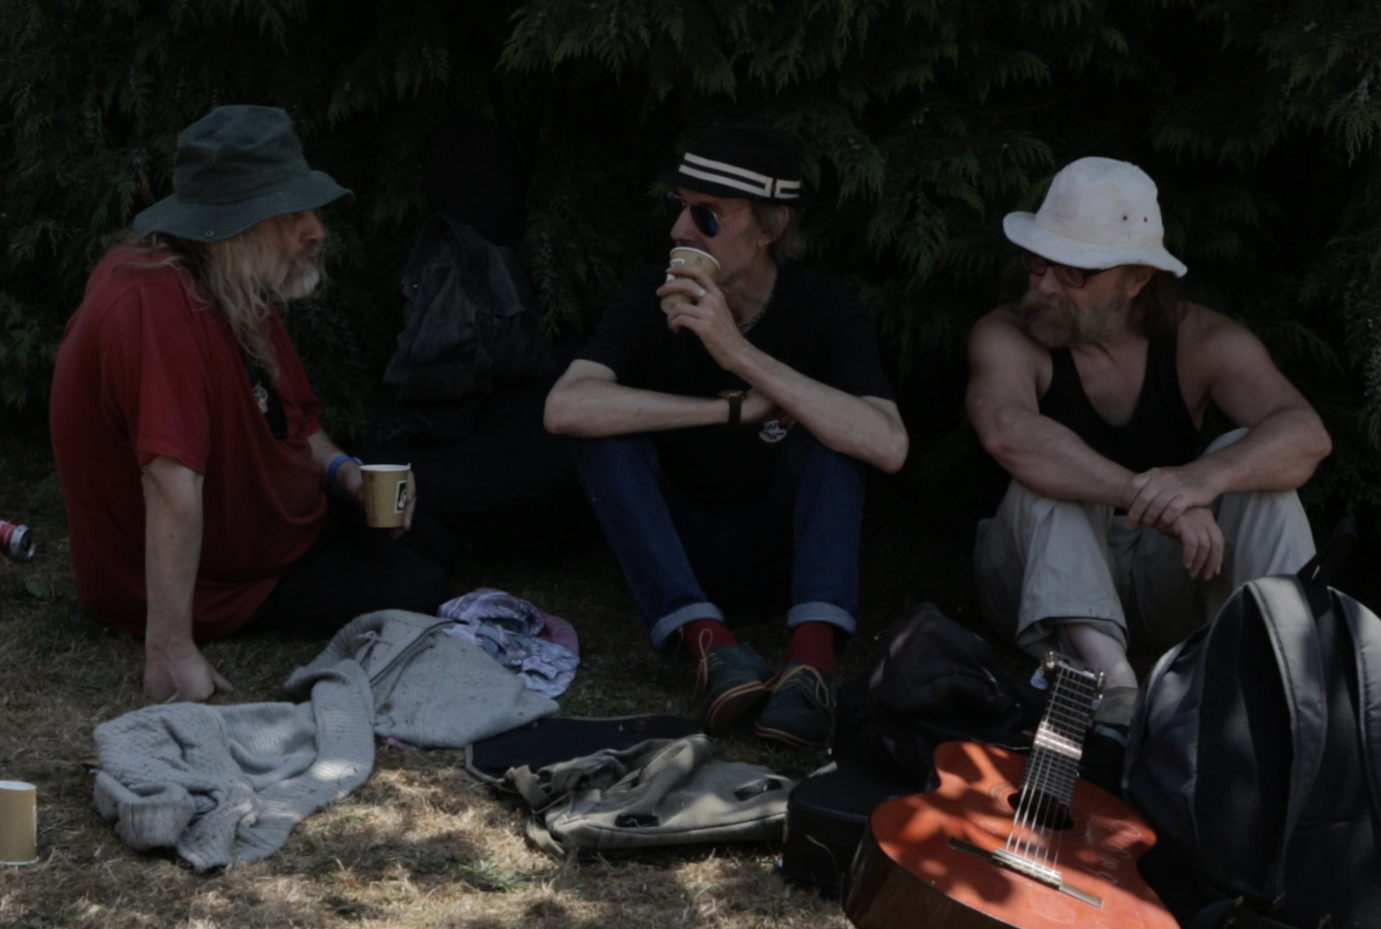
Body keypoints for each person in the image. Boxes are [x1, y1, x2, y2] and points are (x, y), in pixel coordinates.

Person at [50, 106, 453, 704]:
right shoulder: (152, 303)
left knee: (433, 527)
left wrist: (344, 474)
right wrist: (170, 649)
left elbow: (298, 424)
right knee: (416, 581)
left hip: (274, 532)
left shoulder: (226, 281)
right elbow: (169, 482)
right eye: (291, 216)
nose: (316, 231)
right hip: (224, 582)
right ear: (231, 226)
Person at [544, 121, 909, 748]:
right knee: (602, 435)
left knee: (835, 430)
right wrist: (729, 410)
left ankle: (811, 665)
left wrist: (736, 352)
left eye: (707, 216)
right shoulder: (651, 296)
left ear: (769, 228)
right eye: (678, 207)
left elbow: (888, 443)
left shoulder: (824, 307)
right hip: (681, 549)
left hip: (786, 551)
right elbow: (565, 407)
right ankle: (710, 647)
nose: (681, 232)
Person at [966, 155, 1331, 730]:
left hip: (1164, 577)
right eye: (1039, 261)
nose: (1045, 285)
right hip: (1035, 577)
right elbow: (1008, 431)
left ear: (1137, 278)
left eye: (1075, 272)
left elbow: (1305, 435)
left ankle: (1291, 672)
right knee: (1047, 473)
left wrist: (1199, 482)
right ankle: (1111, 690)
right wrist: (1150, 495)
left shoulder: (1200, 339)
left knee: (1256, 465)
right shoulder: (1006, 331)